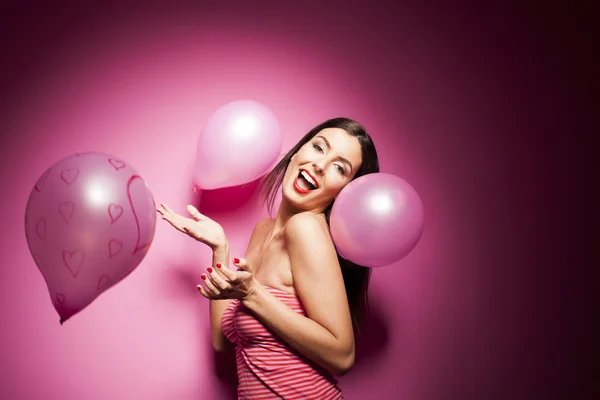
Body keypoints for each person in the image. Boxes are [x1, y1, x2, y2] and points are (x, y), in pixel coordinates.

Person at [157, 117, 379, 399]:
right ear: (298, 151)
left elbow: (342, 357)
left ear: (345, 192)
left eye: (339, 168)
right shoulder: (263, 230)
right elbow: (222, 341)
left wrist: (252, 293)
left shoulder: (306, 229)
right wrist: (220, 248)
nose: (320, 166)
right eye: (319, 148)